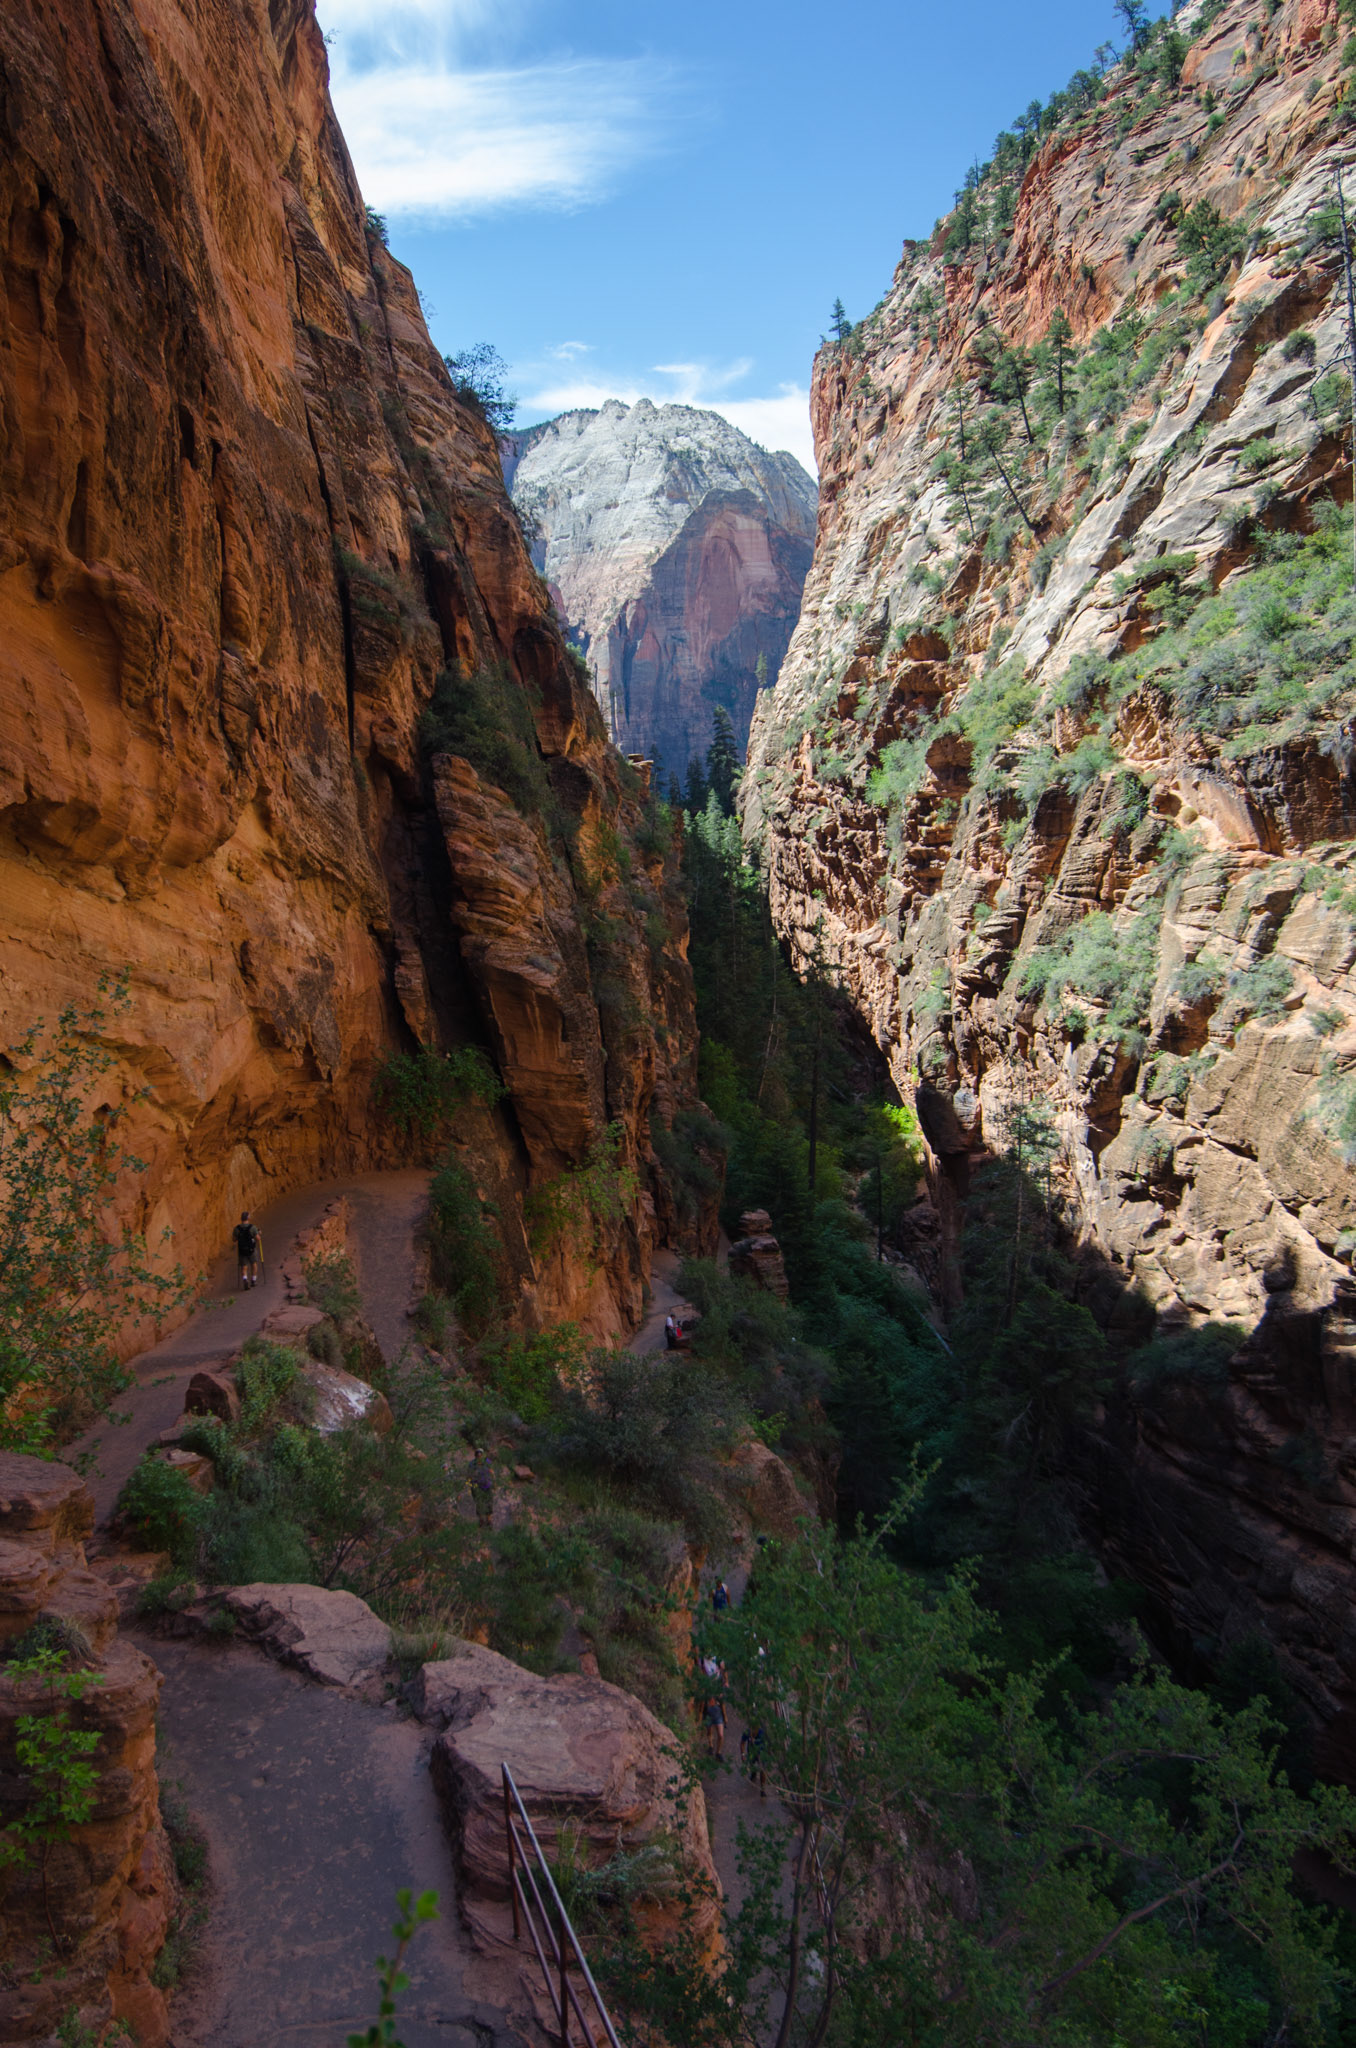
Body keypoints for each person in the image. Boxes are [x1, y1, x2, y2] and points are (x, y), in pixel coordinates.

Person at [233, 1210, 262, 1290]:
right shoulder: (252, 1227)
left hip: (242, 1250)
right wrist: (259, 1233)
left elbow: (234, 1239)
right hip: (251, 1249)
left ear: (241, 1218)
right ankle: (253, 1280)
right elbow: (258, 1239)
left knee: (244, 1267)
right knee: (254, 1264)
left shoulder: (237, 1228)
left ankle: (245, 1279)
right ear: (248, 1218)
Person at [470, 1447, 494, 1528]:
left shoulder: (487, 1462)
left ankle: (489, 1520)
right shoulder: (472, 1464)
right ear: (475, 1456)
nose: (479, 1456)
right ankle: (481, 1520)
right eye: (478, 1455)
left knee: (489, 1503)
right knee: (479, 1504)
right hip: (477, 1487)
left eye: (481, 1454)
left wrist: (493, 1482)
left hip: (487, 1486)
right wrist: (472, 1488)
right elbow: (468, 1477)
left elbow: (492, 1472)